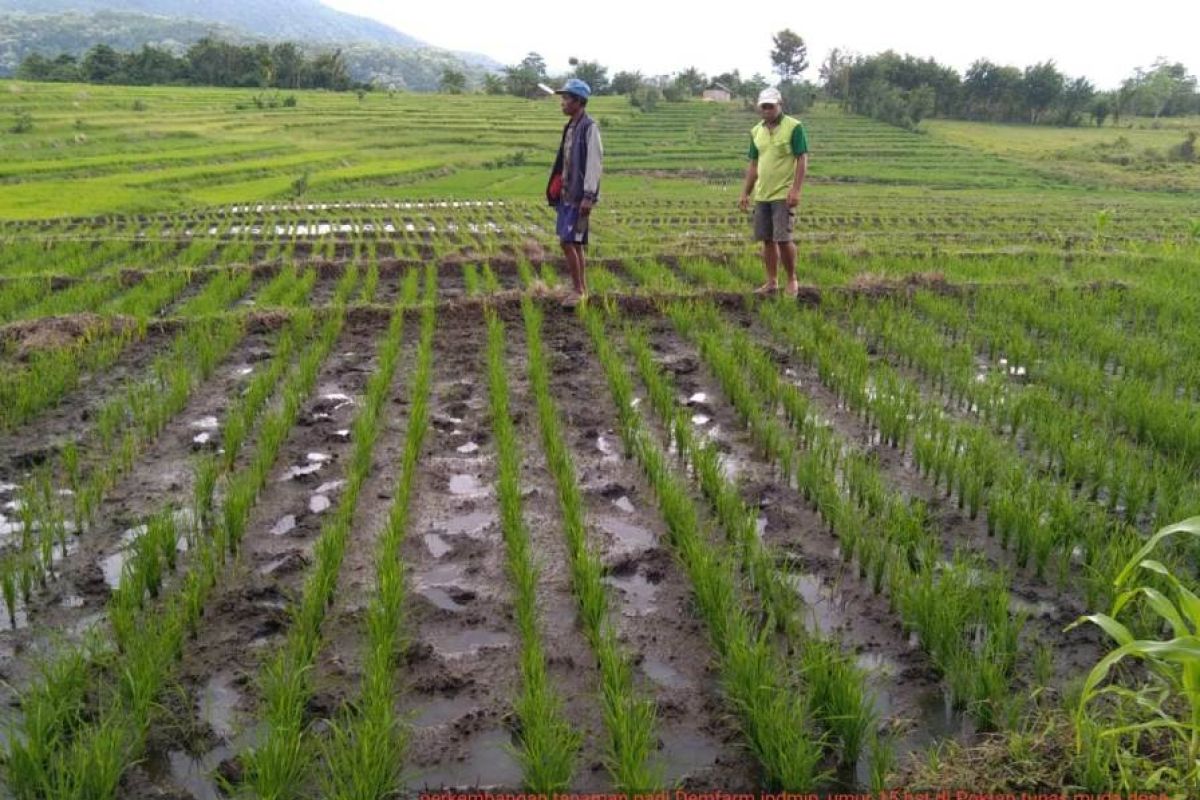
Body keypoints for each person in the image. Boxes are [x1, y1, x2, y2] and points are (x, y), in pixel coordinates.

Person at [738, 86, 809, 297]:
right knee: (767, 240)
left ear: (780, 105)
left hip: (783, 194)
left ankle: (791, 280)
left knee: (783, 239)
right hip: (762, 195)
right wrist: (745, 193)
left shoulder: (794, 127)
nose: (767, 109)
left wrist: (796, 190)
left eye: (771, 106)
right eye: (764, 106)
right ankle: (772, 281)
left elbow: (802, 159)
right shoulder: (756, 131)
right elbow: (753, 165)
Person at [545, 77, 602, 308]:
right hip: (567, 195)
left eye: (566, 99)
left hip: (580, 197)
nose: (562, 103)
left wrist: (589, 196)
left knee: (568, 242)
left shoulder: (589, 128)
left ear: (578, 101)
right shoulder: (570, 127)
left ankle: (579, 291)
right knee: (573, 243)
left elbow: (594, 164)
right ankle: (581, 289)